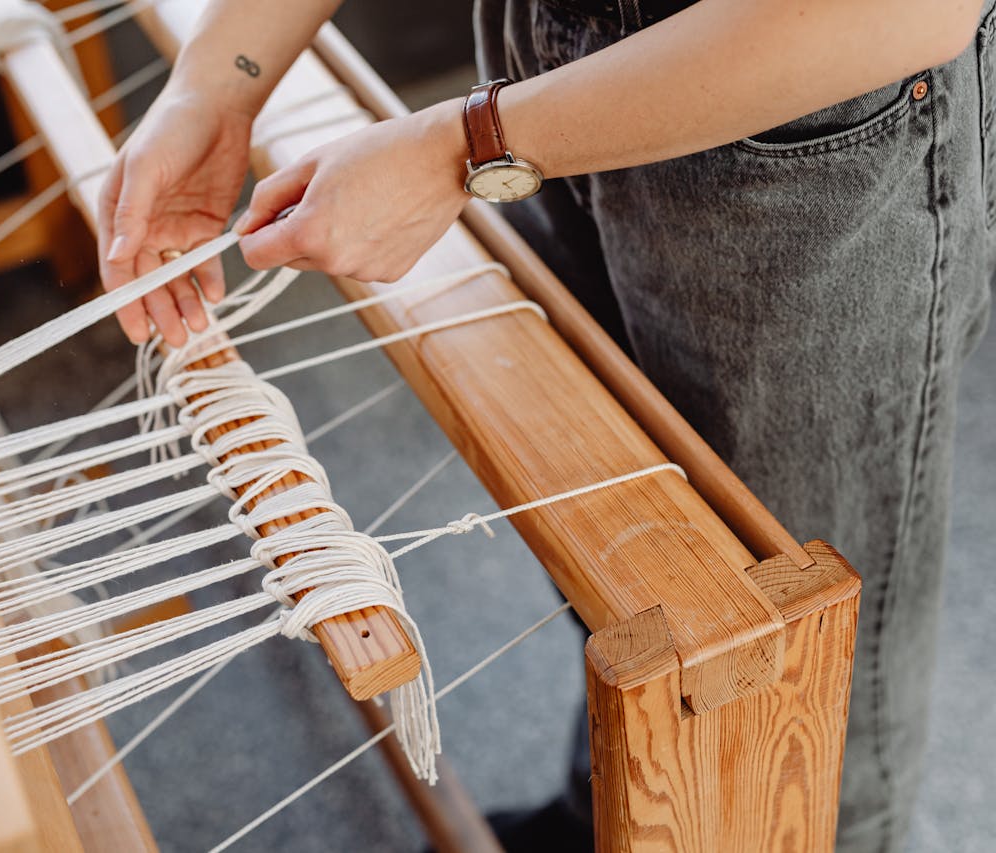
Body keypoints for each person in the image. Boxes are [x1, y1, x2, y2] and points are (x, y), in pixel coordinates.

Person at [97, 1, 994, 850]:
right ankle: (612, 811)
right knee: (623, 552)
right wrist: (213, 89)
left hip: (789, 93)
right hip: (543, 58)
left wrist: (467, 146)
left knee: (795, 675)